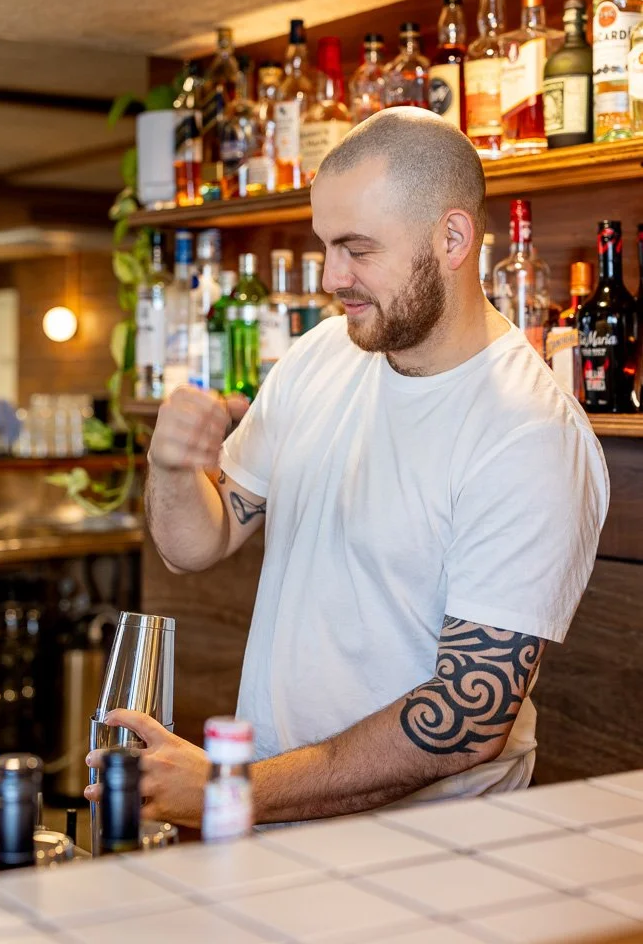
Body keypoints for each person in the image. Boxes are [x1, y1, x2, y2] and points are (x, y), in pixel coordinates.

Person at [87, 107, 609, 827]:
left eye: (357, 249)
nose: (333, 276)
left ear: (451, 238)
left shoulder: (526, 433)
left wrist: (231, 789)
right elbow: (194, 546)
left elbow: (463, 719)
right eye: (325, 246)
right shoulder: (322, 355)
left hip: (433, 851)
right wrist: (174, 469)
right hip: (278, 810)